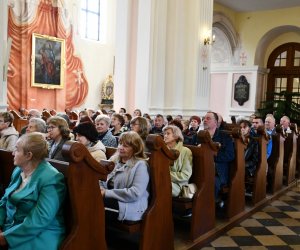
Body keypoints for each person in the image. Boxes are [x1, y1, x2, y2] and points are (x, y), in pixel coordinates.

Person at [0, 132, 66, 250]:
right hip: (11, 227)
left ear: (28, 155)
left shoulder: (52, 178)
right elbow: (4, 201)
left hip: (38, 234)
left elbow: (40, 219)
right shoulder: (18, 170)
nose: (13, 153)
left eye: (17, 149)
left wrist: (6, 238)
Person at [100, 131, 149, 221]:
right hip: (111, 199)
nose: (121, 148)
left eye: (125, 146)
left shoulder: (140, 165)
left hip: (130, 205)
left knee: (96, 204)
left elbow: (135, 193)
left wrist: (106, 193)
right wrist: (100, 189)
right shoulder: (114, 160)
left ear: (135, 148)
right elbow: (102, 178)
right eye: (120, 144)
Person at [163, 125, 193, 197]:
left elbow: (186, 175)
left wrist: (165, 175)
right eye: (164, 134)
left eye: (168, 133)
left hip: (179, 186)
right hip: (165, 180)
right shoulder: (163, 150)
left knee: (159, 183)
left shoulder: (185, 151)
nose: (165, 136)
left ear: (176, 136)